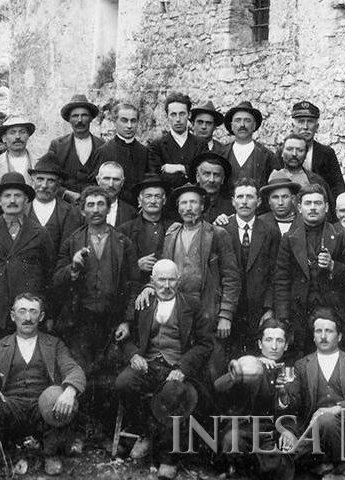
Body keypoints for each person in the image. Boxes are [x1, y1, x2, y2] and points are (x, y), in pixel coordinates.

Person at [0, 293, 85, 479]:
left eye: (33, 312)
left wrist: (70, 391)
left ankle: (50, 453)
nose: (28, 318)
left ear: (41, 316)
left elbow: (73, 369)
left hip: (42, 406)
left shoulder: (54, 344)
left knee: (57, 395)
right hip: (11, 406)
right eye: (22, 311)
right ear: (13, 316)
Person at [115, 260, 212, 480]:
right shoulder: (143, 302)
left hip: (177, 368)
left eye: (171, 279)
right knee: (123, 384)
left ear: (179, 280)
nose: (166, 285)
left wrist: (183, 368)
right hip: (148, 364)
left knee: (172, 393)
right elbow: (125, 337)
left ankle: (169, 457)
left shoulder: (192, 305)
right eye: (161, 279)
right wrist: (134, 355)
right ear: (152, 281)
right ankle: (146, 432)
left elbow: (205, 344)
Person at [145, 184, 240, 380]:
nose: (189, 208)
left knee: (211, 370)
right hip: (178, 310)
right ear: (178, 208)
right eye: (184, 203)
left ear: (202, 206)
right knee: (181, 366)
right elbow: (161, 269)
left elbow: (231, 277)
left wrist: (226, 315)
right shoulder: (172, 233)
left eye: (193, 202)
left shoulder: (216, 234)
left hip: (207, 310)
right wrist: (148, 287)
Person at [53, 185, 139, 375]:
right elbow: (57, 279)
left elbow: (133, 285)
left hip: (112, 320)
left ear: (108, 209)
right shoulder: (72, 241)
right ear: (83, 211)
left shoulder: (124, 242)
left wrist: (127, 321)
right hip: (80, 321)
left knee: (110, 375)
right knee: (83, 373)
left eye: (101, 204)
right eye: (90, 205)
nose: (96, 209)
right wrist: (72, 268)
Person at [272, 184, 345, 354]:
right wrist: (283, 318)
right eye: (308, 203)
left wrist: (333, 266)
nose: (313, 208)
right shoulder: (289, 238)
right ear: (299, 207)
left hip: (335, 314)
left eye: (317, 203)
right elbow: (281, 281)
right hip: (300, 316)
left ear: (327, 207)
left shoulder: (341, 234)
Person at [284, 308, 345, 477]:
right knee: (282, 462)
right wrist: (284, 391)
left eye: (329, 331)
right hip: (313, 435)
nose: (323, 336)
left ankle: (336, 469)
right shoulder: (302, 365)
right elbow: (293, 403)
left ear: (339, 336)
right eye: (318, 331)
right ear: (313, 336)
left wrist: (336, 409)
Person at [0, 173, 55, 343]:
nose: (12, 201)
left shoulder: (40, 233)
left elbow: (49, 277)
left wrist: (50, 314)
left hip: (30, 311)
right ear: (0, 201)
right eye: (7, 196)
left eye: (18, 196)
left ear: (26, 201)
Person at [214, 319, 294, 480]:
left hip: (274, 433)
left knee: (277, 466)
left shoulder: (292, 370)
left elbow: (296, 410)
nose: (273, 346)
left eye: (279, 341)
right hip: (245, 430)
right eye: (268, 340)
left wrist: (289, 431)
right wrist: (252, 365)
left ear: (286, 346)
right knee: (233, 442)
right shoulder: (249, 364)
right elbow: (218, 387)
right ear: (259, 344)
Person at [221, 178, 280, 354]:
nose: (245, 201)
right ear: (233, 201)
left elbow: (275, 273)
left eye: (250, 197)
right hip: (230, 310)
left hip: (258, 308)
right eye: (240, 197)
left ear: (259, 201)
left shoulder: (270, 231)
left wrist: (269, 308)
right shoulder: (221, 230)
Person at [117, 174, 174, 285]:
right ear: (139, 200)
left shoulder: (174, 228)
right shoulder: (125, 230)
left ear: (164, 200)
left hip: (167, 286)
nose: (153, 201)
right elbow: (115, 265)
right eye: (148, 196)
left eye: (157, 196)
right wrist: (136, 265)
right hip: (135, 288)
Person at [47, 94, 105, 200]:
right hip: (64, 205)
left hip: (94, 203)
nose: (79, 120)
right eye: (75, 116)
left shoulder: (102, 145)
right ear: (69, 119)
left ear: (91, 118)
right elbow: (49, 177)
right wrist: (66, 193)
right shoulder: (57, 145)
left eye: (84, 115)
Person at [92, 102, 149, 204]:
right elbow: (95, 187)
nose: (129, 126)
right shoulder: (103, 151)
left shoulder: (144, 152)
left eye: (133, 121)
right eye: (124, 120)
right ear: (114, 122)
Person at [149, 92, 207, 189]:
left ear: (189, 114)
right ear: (167, 116)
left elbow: (204, 172)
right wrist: (191, 173)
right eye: (173, 114)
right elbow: (155, 177)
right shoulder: (157, 145)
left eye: (182, 114)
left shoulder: (201, 144)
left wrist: (181, 168)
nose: (178, 119)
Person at [27, 154, 83, 255]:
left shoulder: (70, 213)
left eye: (50, 181)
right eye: (40, 179)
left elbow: (67, 252)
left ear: (59, 183)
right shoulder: (22, 209)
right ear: (33, 180)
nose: (44, 186)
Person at [290, 101, 345, 200]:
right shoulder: (283, 153)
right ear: (293, 126)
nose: (305, 127)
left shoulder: (327, 154)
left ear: (317, 127)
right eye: (301, 121)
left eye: (310, 121)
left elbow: (337, 187)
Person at [217, 101, 279, 188]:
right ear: (231, 126)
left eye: (247, 120)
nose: (242, 125)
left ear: (254, 125)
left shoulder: (267, 156)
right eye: (238, 120)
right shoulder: (220, 154)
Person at [277, 134, 332, 204]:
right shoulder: (272, 177)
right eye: (289, 149)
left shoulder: (317, 181)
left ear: (306, 154)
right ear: (282, 152)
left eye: (300, 150)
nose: (294, 154)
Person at [0, 115, 37, 184]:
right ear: (4, 138)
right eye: (12, 133)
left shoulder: (38, 162)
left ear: (28, 136)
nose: (18, 137)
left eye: (22, 132)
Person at [189, 152, 234, 224]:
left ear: (223, 179)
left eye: (216, 175)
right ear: (197, 177)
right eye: (206, 174)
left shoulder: (232, 206)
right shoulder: (185, 202)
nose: (211, 180)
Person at [95, 161, 138, 228]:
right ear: (98, 180)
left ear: (122, 182)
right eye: (106, 179)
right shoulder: (84, 210)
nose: (111, 184)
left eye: (116, 179)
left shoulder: (131, 213)